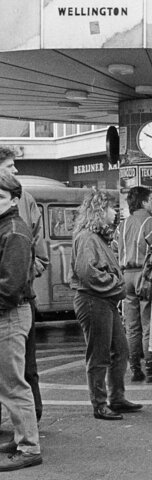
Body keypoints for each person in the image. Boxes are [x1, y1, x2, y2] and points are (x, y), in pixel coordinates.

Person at [71, 190, 142, 420]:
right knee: (99, 355)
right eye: (112, 209)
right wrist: (115, 284)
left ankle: (117, 397)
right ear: (100, 211)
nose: (115, 213)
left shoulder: (97, 237)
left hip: (104, 300)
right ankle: (100, 403)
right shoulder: (88, 238)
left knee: (120, 350)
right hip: (94, 300)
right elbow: (88, 272)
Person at [0, 146, 47, 424]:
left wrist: (21, 271)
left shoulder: (24, 201)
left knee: (24, 370)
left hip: (16, 299)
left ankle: (30, 427)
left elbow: (41, 256)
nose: (15, 170)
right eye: (8, 166)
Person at [117, 186, 152, 383]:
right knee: (148, 324)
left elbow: (115, 247)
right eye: (151, 200)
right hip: (144, 276)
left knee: (131, 326)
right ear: (145, 202)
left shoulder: (123, 224)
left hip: (125, 277)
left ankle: (134, 369)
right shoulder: (150, 222)